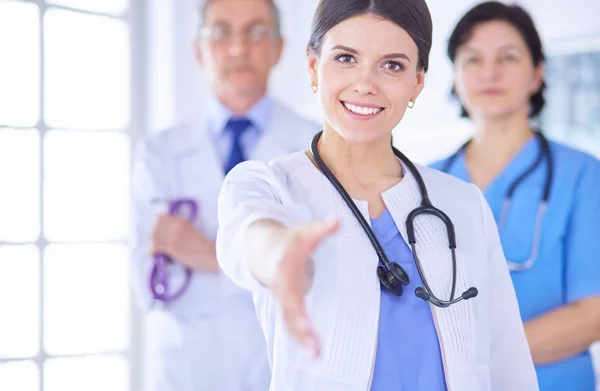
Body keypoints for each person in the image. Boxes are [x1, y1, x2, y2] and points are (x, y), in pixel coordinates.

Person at [215, 0, 540, 390]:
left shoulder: (463, 205)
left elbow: (508, 363)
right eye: (346, 58)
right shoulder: (269, 185)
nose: (365, 83)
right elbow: (248, 236)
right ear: (313, 66)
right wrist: (281, 253)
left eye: (392, 65)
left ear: (417, 82)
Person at [130, 0, 319, 390]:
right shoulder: (159, 153)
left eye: (256, 32)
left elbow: (321, 275)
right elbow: (146, 281)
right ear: (198, 50)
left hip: (281, 369)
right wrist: (266, 265)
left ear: (279, 48)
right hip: (186, 370)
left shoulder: (315, 149)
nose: (238, 48)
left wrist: (204, 252)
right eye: (221, 33)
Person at [429, 2, 600, 390]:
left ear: (537, 74)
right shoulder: (425, 182)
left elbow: (593, 312)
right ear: (454, 76)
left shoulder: (582, 175)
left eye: (508, 57)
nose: (489, 72)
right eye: (472, 60)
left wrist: (475, 355)